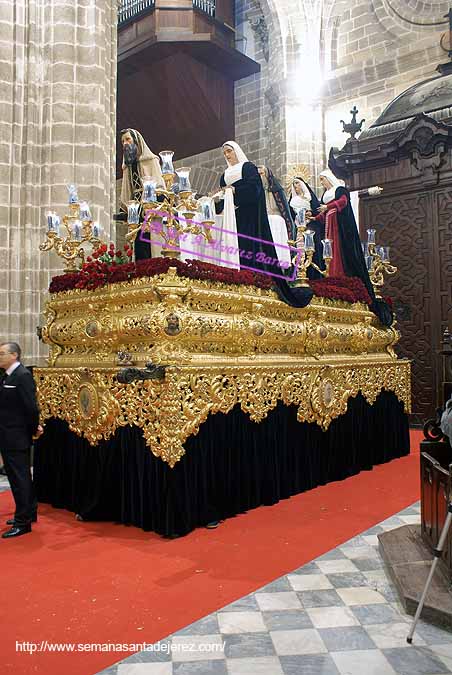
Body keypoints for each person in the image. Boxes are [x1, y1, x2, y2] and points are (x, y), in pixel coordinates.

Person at [308, 169, 392, 325]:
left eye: (322, 179)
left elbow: (343, 202)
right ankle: (329, 273)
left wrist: (328, 207)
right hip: (329, 222)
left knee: (338, 251)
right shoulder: (324, 195)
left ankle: (338, 273)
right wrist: (313, 217)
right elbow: (323, 214)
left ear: (328, 178)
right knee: (329, 251)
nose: (321, 182)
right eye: (319, 180)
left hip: (338, 225)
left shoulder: (339, 189)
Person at [215, 142, 285, 276]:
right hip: (232, 217)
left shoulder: (247, 167)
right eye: (224, 153)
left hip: (249, 215)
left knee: (247, 247)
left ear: (236, 151)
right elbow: (223, 196)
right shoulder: (224, 175)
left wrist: (236, 190)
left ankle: (250, 277)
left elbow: (255, 189)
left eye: (229, 151)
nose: (227, 155)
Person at [0, 342, 42, 538]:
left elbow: (31, 407)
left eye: (2, 354)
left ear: (14, 355)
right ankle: (28, 512)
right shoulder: (7, 375)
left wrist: (33, 429)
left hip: (16, 436)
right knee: (20, 477)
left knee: (20, 479)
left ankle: (22, 522)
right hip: (8, 435)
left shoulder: (22, 376)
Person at [118, 128, 165, 261]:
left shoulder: (151, 160)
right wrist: (125, 210)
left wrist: (155, 203)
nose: (125, 144)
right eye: (122, 141)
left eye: (128, 139)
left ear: (137, 141)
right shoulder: (128, 167)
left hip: (151, 209)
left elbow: (160, 186)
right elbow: (127, 191)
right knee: (138, 246)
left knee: (151, 245)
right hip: (136, 212)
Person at [289, 176, 324, 279]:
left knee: (313, 248)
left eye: (298, 183)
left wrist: (311, 213)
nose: (296, 186)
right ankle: (300, 273)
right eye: (294, 184)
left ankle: (315, 275)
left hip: (311, 226)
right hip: (298, 226)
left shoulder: (309, 197)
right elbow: (290, 214)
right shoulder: (293, 200)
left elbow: (317, 211)